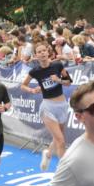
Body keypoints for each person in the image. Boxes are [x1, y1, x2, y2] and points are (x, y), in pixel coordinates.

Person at [22, 43, 72, 172]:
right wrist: (32, 90)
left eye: (44, 50)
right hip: (47, 107)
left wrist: (58, 80)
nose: (43, 53)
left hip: (62, 105)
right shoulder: (35, 71)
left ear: (48, 52)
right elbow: (23, 85)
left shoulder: (57, 65)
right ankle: (65, 170)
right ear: (36, 55)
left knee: (58, 137)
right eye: (39, 52)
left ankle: (48, 153)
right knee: (61, 140)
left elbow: (68, 82)